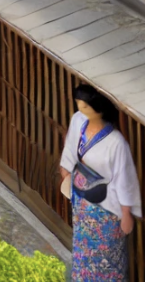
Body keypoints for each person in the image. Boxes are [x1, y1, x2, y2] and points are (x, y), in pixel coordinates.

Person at [60, 84, 140, 281]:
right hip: (82, 202)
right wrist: (66, 172)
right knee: (83, 252)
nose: (80, 110)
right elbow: (70, 149)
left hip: (107, 211)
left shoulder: (115, 142)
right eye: (79, 105)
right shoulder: (79, 120)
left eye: (85, 106)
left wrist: (126, 214)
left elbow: (124, 179)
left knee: (108, 257)